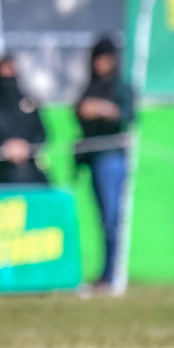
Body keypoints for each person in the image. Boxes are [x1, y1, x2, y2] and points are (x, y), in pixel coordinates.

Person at [75, 35, 134, 288]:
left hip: (112, 158)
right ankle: (105, 273)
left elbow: (128, 115)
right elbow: (78, 113)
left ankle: (112, 274)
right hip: (94, 158)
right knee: (103, 219)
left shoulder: (119, 87)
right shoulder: (91, 86)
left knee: (112, 218)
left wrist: (104, 110)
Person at [0, 55, 48, 186]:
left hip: (31, 175)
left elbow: (41, 135)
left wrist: (25, 148)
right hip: (0, 176)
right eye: (3, 76)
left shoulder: (29, 104)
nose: (7, 82)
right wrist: (4, 149)